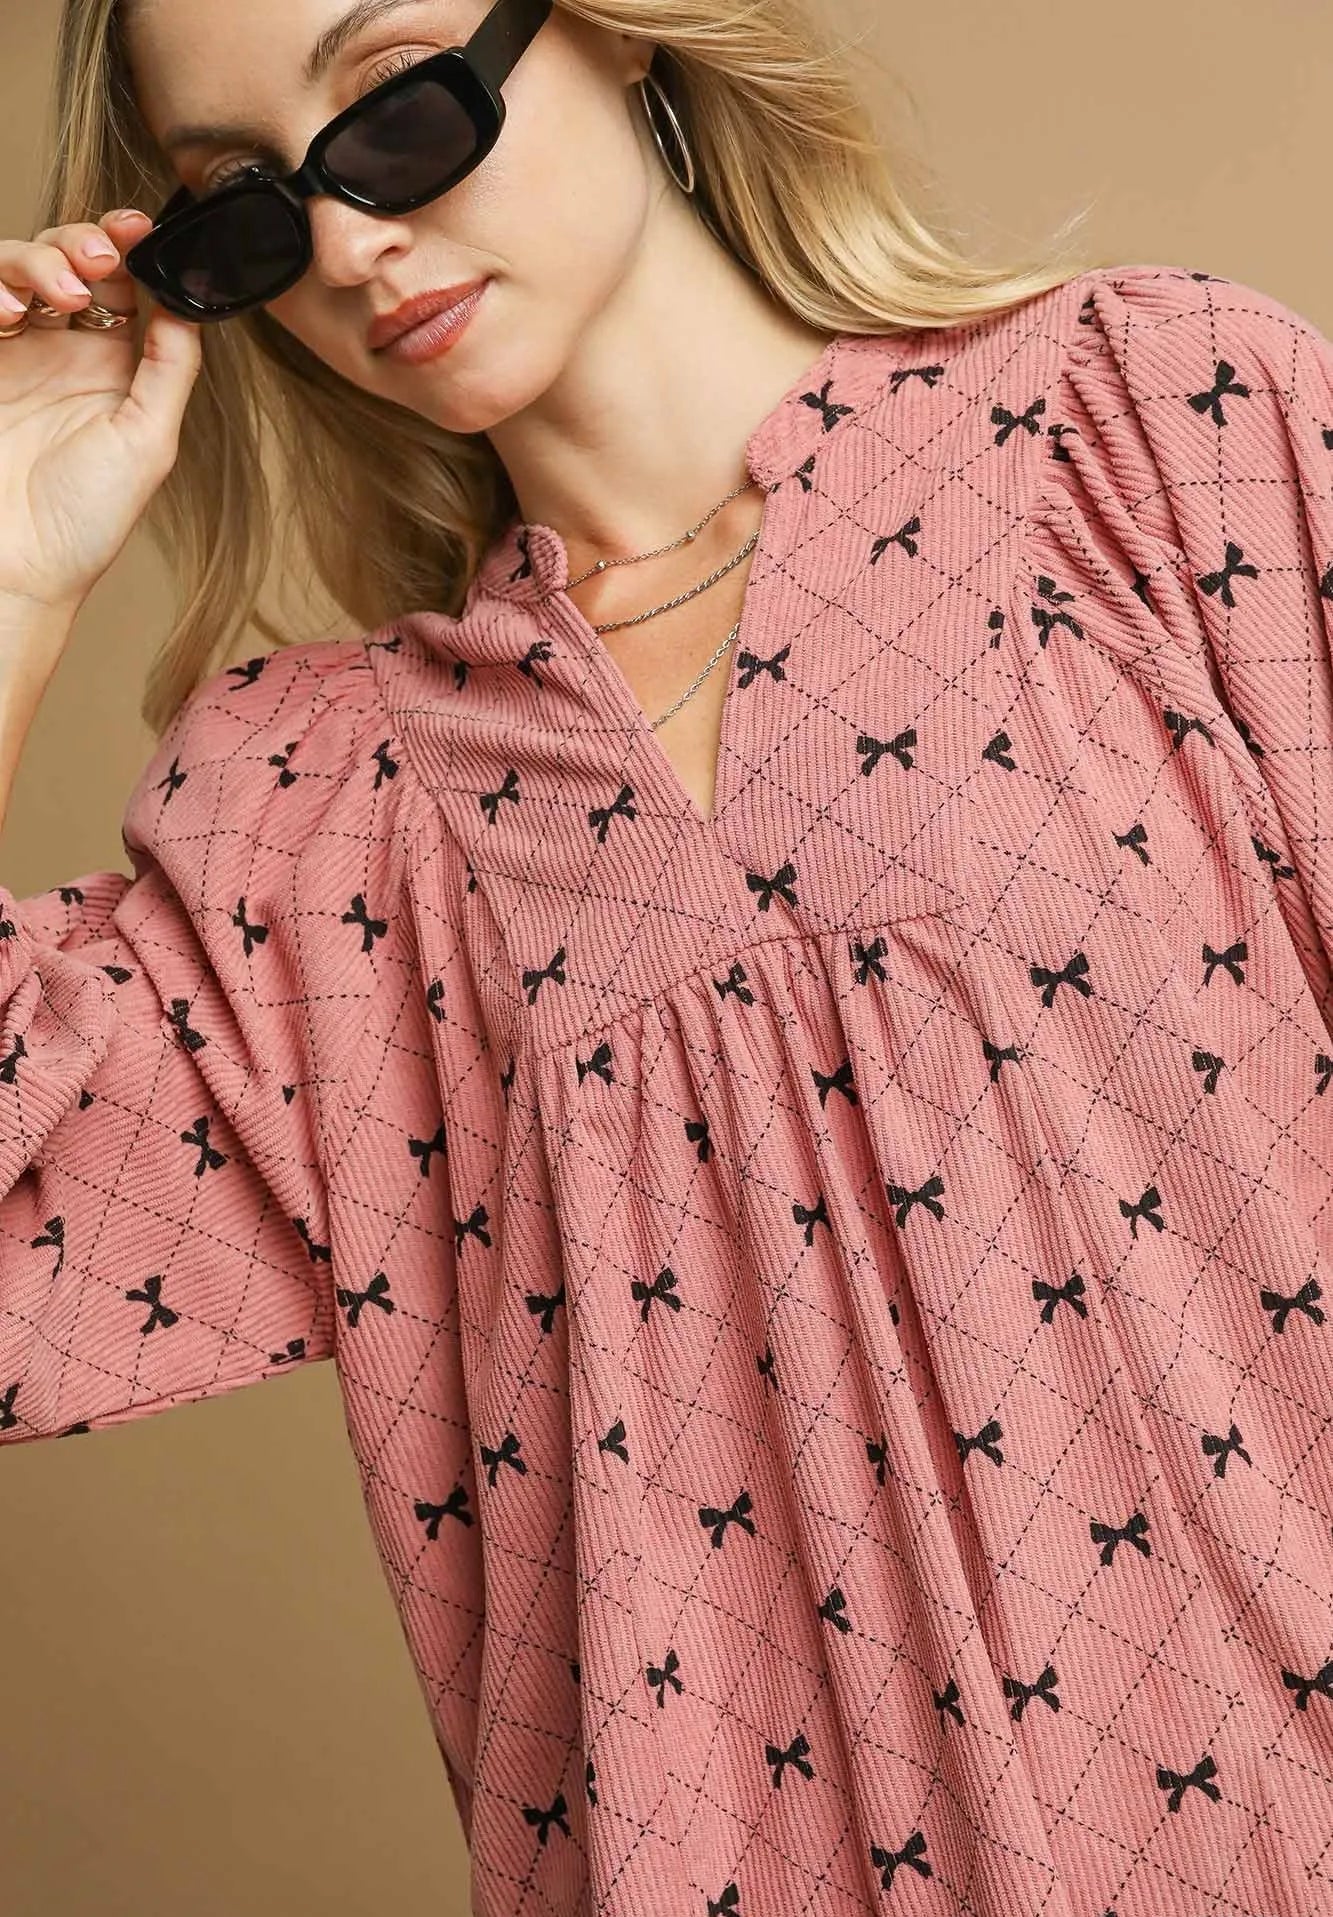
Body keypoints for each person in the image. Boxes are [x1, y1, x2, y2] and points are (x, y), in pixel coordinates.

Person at [2, 0, 1331, 1911]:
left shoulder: (1150, 435)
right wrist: (7, 577)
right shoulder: (325, 823)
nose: (353, 243)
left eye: (390, 111)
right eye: (243, 215)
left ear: (614, 31)